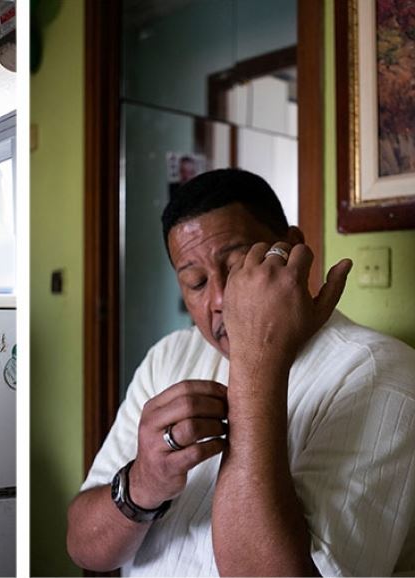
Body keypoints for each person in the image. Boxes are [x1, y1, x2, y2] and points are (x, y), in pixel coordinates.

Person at [66, 168, 415, 576]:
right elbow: (83, 547)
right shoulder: (169, 356)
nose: (218, 299)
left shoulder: (381, 375)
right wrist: (143, 482)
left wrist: (255, 365)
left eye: (235, 268)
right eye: (196, 282)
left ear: (292, 251)